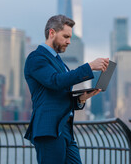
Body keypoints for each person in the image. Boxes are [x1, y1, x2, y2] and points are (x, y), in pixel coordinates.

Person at [24, 15, 109, 164]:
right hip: (49, 130)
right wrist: (89, 67)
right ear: (52, 33)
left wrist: (81, 99)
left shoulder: (59, 62)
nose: (69, 41)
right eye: (65, 36)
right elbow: (55, 82)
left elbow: (59, 94)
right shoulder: (36, 58)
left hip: (65, 130)